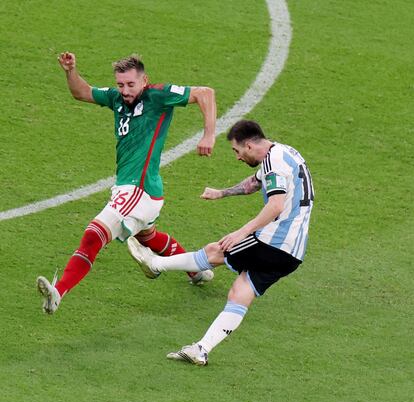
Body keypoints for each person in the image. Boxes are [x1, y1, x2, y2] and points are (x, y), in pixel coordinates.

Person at [37, 52, 217, 314]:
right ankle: (196, 270)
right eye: (121, 85)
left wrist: (209, 135)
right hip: (137, 189)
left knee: (93, 235)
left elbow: (206, 93)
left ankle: (58, 292)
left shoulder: (157, 95)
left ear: (145, 81)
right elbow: (82, 92)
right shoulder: (116, 99)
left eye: (131, 84)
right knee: (148, 236)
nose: (125, 90)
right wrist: (70, 71)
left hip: (139, 189)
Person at [127, 120, 314, 365]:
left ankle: (156, 264)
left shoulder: (273, 162)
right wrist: (221, 193)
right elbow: (254, 183)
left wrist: (242, 233)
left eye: (237, 151)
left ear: (249, 145)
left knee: (216, 251)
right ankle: (201, 349)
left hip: (274, 242)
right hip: (293, 254)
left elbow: (276, 205)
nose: (237, 157)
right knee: (239, 293)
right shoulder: (285, 153)